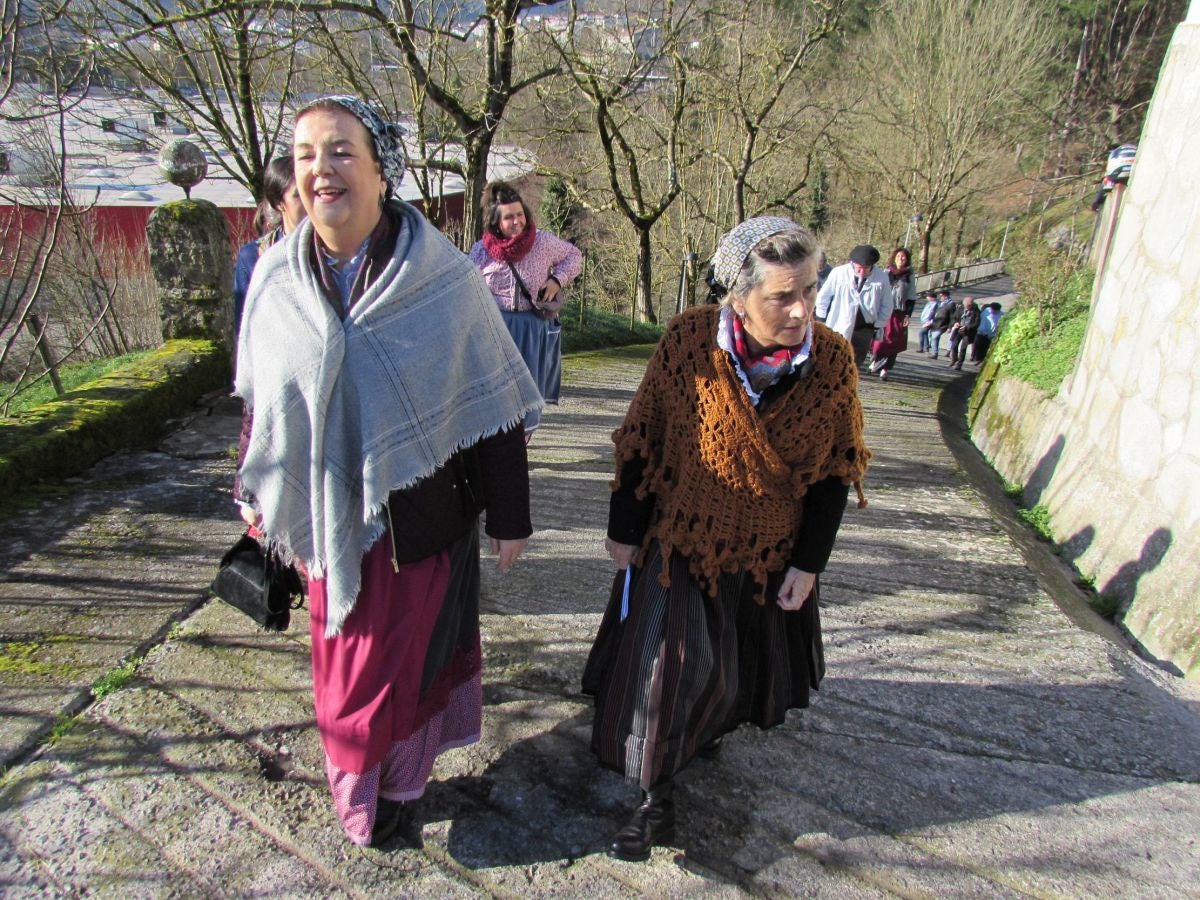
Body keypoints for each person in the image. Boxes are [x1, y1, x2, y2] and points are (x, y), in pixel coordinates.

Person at [234, 96, 543, 850]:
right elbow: (259, 403)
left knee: (408, 670)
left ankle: (400, 788)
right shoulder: (275, 283)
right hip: (325, 525)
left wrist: (510, 516)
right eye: (306, 154)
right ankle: (357, 786)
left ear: (381, 170)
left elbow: (493, 403)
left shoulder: (445, 281)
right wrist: (252, 489)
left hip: (422, 522)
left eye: (340, 151)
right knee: (346, 684)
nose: (320, 169)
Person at [582, 216, 870, 862]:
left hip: (767, 553)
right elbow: (642, 436)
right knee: (670, 666)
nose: (802, 311)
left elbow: (833, 473)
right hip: (682, 540)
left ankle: (696, 735)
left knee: (730, 676)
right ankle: (654, 800)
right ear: (737, 297)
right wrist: (624, 530)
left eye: (811, 291)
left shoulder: (832, 364)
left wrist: (809, 563)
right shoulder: (688, 344)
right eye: (782, 296)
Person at [469, 181, 582, 441]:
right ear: (496, 222)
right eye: (509, 217)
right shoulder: (481, 251)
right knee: (495, 394)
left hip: (531, 328)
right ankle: (497, 446)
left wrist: (557, 280)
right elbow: (466, 285)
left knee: (528, 393)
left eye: (520, 214)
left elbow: (574, 256)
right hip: (496, 331)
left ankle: (521, 445)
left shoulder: (542, 242)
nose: (517, 221)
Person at [232, 155, 306, 336]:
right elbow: (244, 327)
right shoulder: (254, 257)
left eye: (312, 192)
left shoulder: (337, 251)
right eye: (298, 195)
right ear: (279, 202)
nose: (309, 201)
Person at [815, 243, 892, 368]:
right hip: (839, 325)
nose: (862, 273)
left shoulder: (881, 278)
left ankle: (849, 385)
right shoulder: (839, 273)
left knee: (854, 365)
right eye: (859, 269)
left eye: (866, 269)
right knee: (832, 359)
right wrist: (821, 318)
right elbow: (823, 297)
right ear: (852, 263)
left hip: (865, 328)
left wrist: (879, 324)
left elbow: (887, 305)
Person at [869, 247, 918, 380]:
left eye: (903, 257)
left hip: (898, 313)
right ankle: (875, 361)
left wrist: (908, 314)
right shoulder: (886, 272)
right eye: (898, 256)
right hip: (884, 311)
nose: (900, 259)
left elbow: (912, 296)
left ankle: (885, 370)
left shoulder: (909, 275)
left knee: (893, 343)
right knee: (879, 340)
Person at [948, 296, 980, 370]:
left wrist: (967, 327)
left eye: (969, 306)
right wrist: (955, 323)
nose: (967, 308)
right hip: (958, 330)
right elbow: (954, 317)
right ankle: (954, 359)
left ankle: (959, 364)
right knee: (954, 345)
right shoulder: (960, 308)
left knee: (963, 348)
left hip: (968, 332)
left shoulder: (976, 311)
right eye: (966, 306)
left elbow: (977, 323)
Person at [928, 289, 956, 360]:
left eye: (942, 296)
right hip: (936, 323)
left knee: (935, 337)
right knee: (934, 337)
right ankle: (935, 353)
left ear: (945, 296)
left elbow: (952, 317)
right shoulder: (941, 303)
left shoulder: (951, 304)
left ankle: (935, 353)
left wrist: (950, 327)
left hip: (943, 324)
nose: (940, 297)